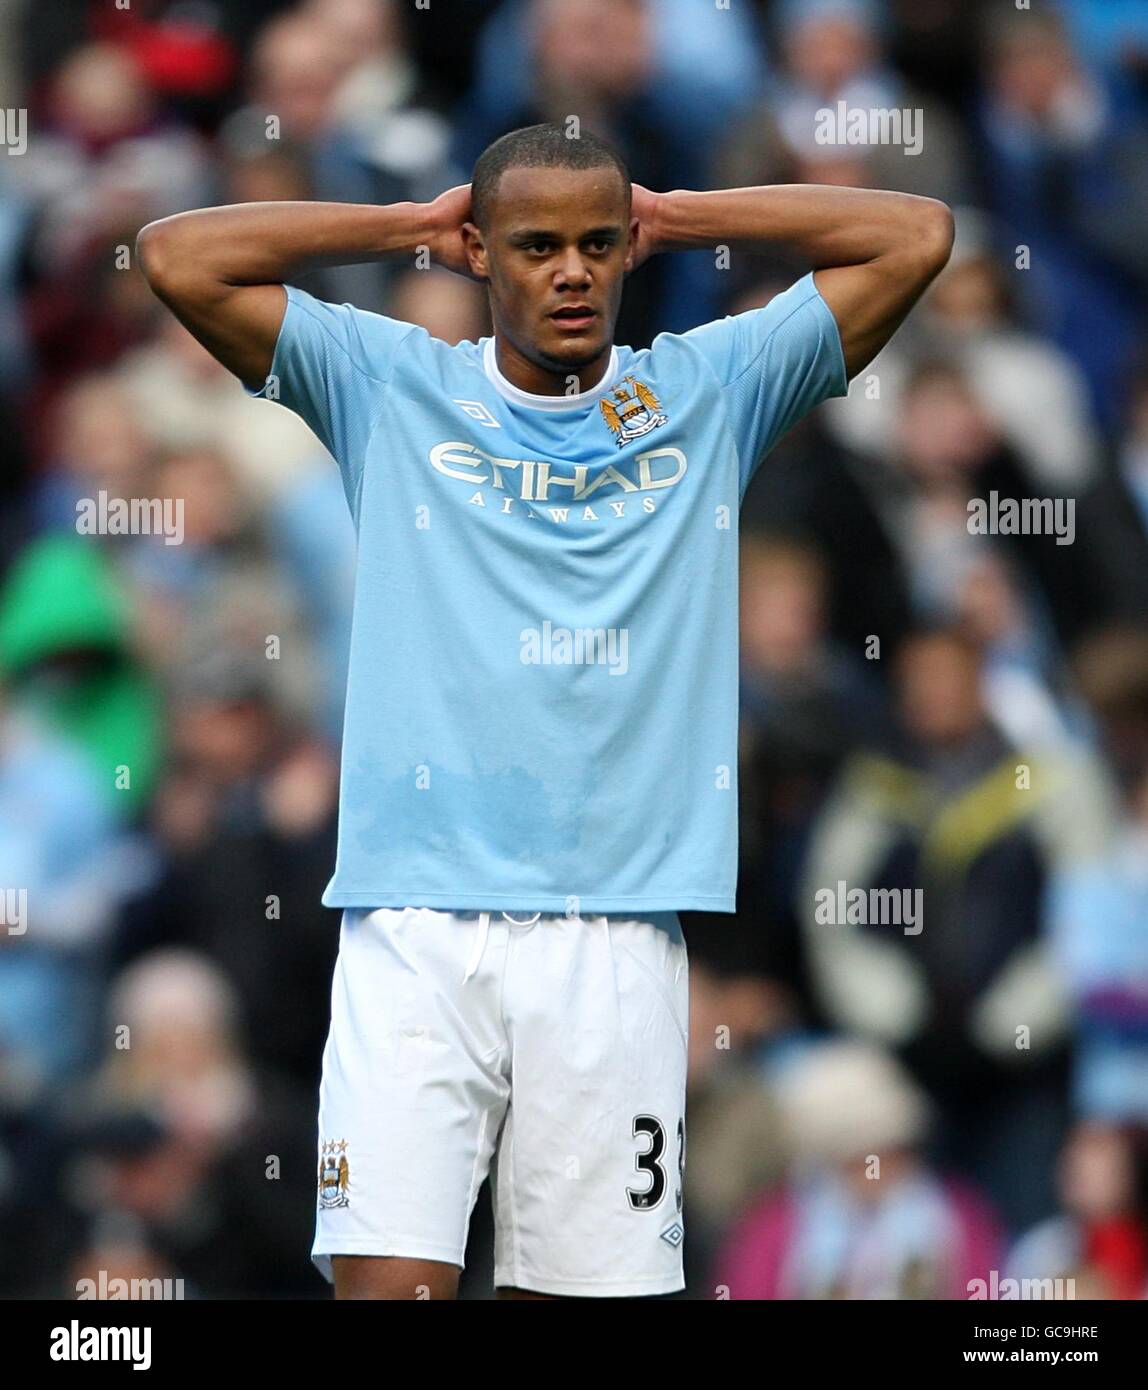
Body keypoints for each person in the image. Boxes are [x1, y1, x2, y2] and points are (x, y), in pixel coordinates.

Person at [136, 121, 952, 1300]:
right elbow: (176, 255)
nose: (570, 270)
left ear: (625, 250)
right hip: (414, 922)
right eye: (531, 245)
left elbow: (913, 233)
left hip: (612, 935)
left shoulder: (707, 391)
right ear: (481, 251)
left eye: (595, 244)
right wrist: (409, 227)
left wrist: (680, 212)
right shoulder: (390, 386)